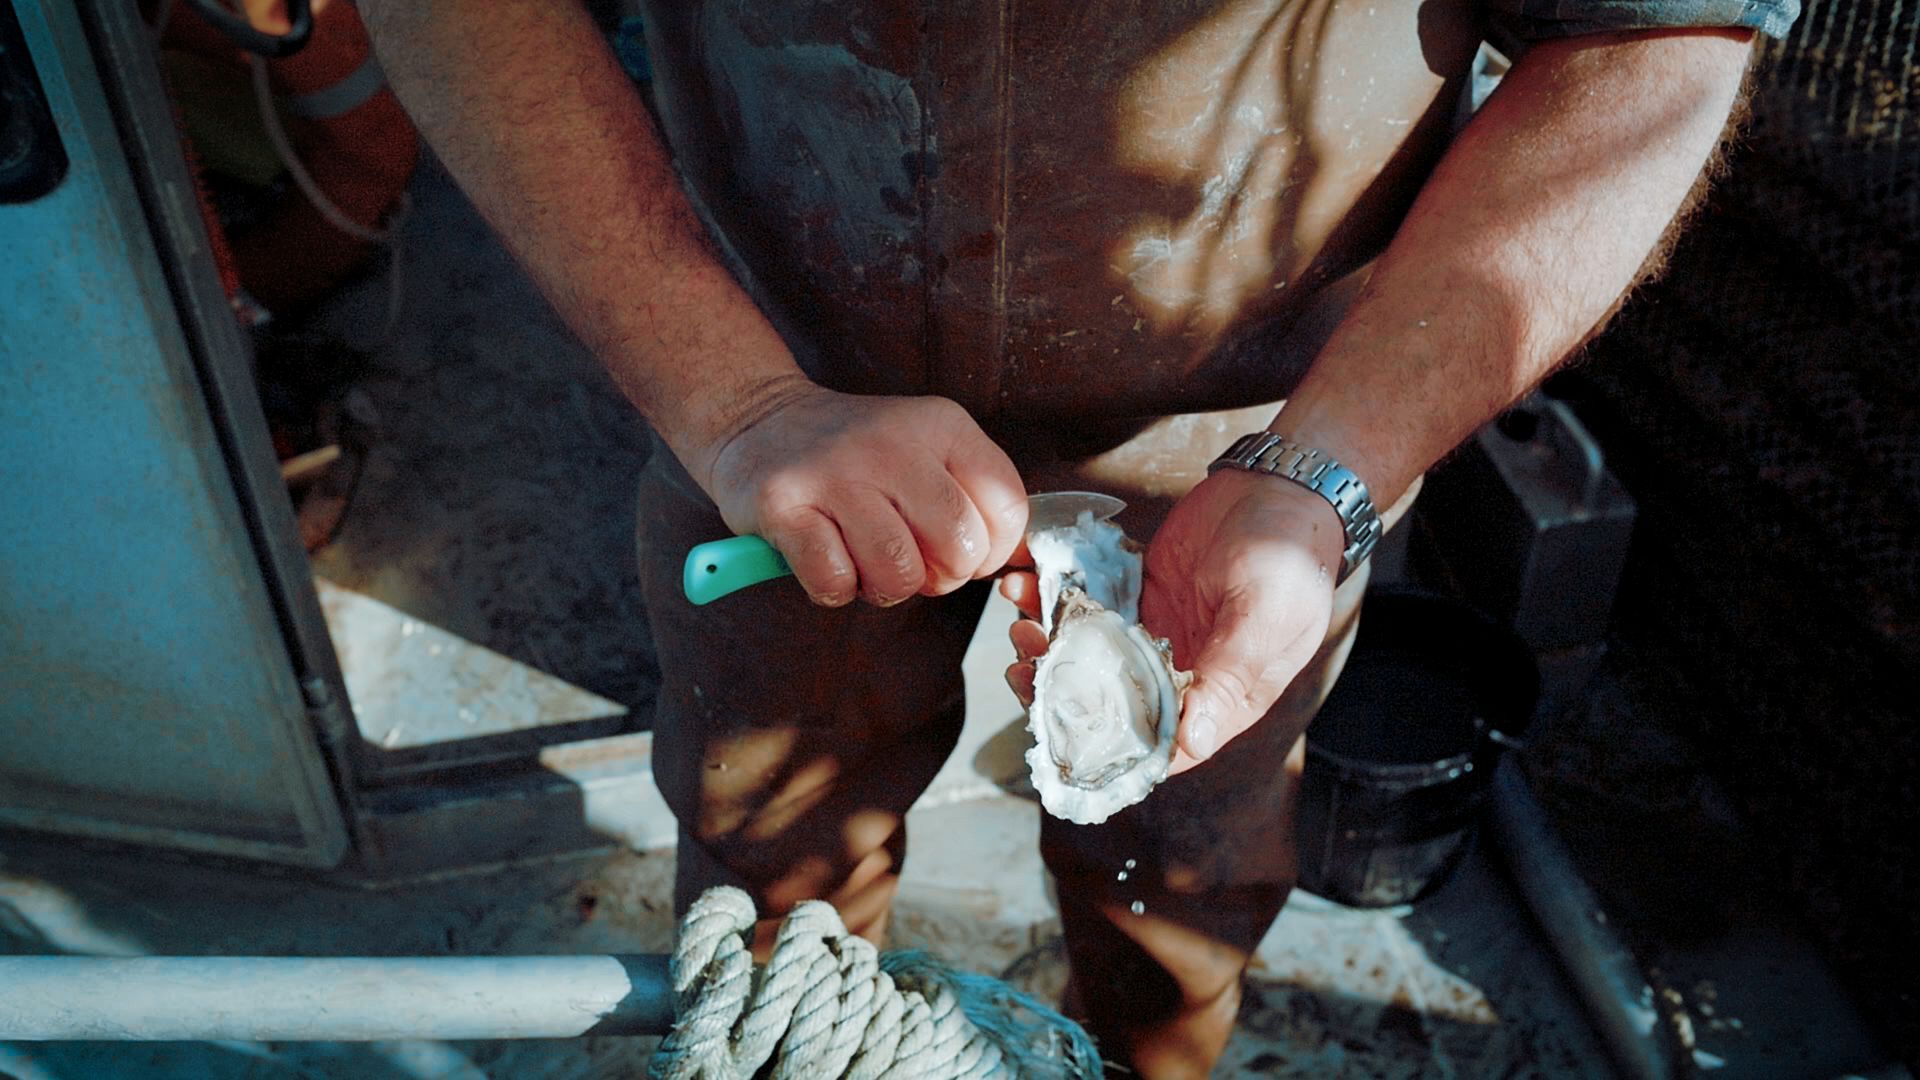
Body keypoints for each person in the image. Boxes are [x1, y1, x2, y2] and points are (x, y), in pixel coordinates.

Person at [357, 2, 1795, 1074]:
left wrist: (1326, 472)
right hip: (775, 401)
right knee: (766, 838)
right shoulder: (749, 406)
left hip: (1278, 436)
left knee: (1191, 859)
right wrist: (734, 404)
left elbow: (1653, 35)